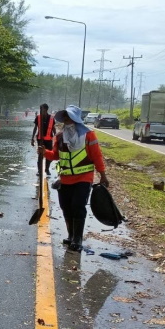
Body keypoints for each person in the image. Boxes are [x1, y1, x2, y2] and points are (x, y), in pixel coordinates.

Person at [39, 105, 109, 252]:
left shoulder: (88, 135)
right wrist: (45, 152)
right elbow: (56, 156)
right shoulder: (59, 136)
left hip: (83, 178)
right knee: (66, 207)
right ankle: (71, 236)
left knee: (78, 206)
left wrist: (102, 174)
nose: (66, 120)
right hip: (65, 179)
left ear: (76, 119)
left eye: (69, 117)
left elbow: (96, 156)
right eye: (64, 117)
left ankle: (78, 239)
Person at [31, 103, 56, 176]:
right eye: (40, 109)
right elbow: (35, 128)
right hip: (40, 140)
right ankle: (39, 171)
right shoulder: (38, 117)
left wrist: (56, 137)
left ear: (46, 109)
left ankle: (47, 169)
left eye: (42, 109)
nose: (41, 110)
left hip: (49, 140)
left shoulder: (51, 118)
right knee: (40, 155)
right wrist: (32, 138)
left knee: (49, 156)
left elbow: (53, 128)